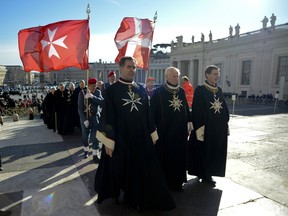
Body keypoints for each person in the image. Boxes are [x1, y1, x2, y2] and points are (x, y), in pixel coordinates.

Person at [94, 56, 175, 212]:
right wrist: (108, 142)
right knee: (119, 170)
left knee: (139, 170)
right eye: (129, 67)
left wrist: (152, 134)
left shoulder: (140, 88)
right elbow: (107, 116)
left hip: (141, 137)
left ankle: (135, 198)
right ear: (121, 68)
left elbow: (147, 114)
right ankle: (119, 194)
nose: (133, 70)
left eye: (134, 67)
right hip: (120, 139)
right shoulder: (111, 90)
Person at [187, 65, 229, 187]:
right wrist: (200, 127)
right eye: (215, 74)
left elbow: (224, 108)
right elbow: (197, 110)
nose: (217, 76)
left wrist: (225, 122)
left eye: (218, 74)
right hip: (206, 128)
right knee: (204, 152)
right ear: (207, 75)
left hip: (218, 129)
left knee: (214, 152)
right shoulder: (200, 90)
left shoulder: (219, 90)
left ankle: (208, 172)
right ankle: (205, 175)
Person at [150, 66, 189, 192]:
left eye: (177, 76)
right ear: (166, 77)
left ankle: (178, 182)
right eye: (173, 76)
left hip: (180, 132)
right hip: (165, 133)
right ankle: (165, 182)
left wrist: (189, 123)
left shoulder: (182, 91)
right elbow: (152, 113)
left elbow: (186, 110)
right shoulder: (158, 92)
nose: (176, 78)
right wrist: (152, 130)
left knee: (180, 157)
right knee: (166, 158)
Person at [78, 78, 103, 162]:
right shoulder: (82, 93)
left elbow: (102, 102)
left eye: (95, 86)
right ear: (88, 85)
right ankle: (86, 149)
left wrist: (93, 97)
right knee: (85, 136)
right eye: (92, 86)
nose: (94, 88)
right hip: (85, 119)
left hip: (95, 118)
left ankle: (95, 155)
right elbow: (80, 108)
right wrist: (84, 120)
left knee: (96, 136)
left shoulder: (97, 92)